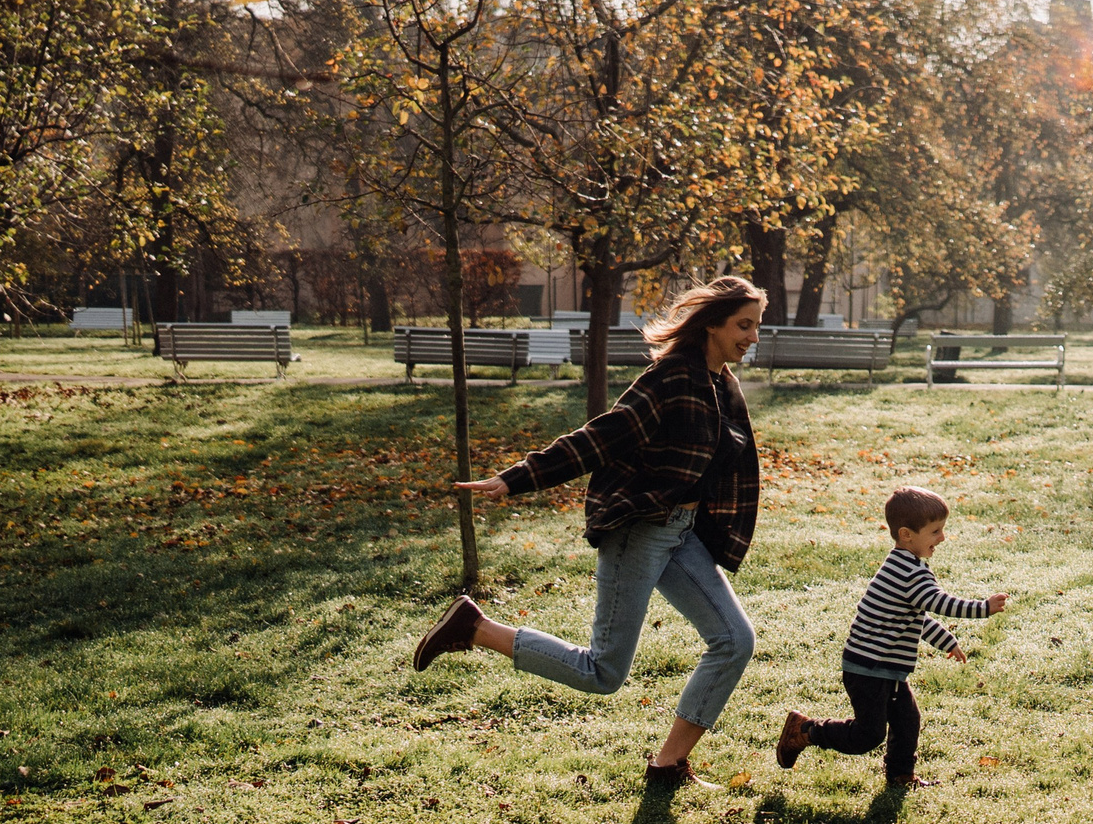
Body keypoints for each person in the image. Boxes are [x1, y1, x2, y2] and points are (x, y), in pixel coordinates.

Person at [412, 276, 764, 791]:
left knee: (734, 641)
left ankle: (667, 767)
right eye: (743, 325)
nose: (752, 336)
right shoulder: (671, 378)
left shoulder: (721, 384)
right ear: (712, 323)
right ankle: (475, 628)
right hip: (640, 530)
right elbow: (602, 435)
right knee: (603, 672)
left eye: (756, 326)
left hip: (681, 532)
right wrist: (519, 477)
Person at [774, 486, 1007, 788]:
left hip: (886, 668)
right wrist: (983, 608)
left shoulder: (903, 565)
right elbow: (940, 603)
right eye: (935, 531)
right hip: (869, 668)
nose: (942, 538)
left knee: (907, 721)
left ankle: (901, 775)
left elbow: (914, 616)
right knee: (867, 735)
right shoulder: (909, 572)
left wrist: (946, 641)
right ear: (907, 534)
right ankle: (806, 731)